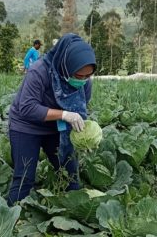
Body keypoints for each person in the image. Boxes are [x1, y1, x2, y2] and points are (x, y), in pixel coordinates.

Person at [7, 33, 96, 206]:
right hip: (26, 126)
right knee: (24, 177)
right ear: (66, 65)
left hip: (56, 128)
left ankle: (75, 214)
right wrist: (64, 114)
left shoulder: (85, 83)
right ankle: (13, 219)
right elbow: (27, 108)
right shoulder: (39, 71)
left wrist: (83, 137)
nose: (83, 81)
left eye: (88, 76)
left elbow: (80, 110)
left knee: (70, 174)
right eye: (79, 76)